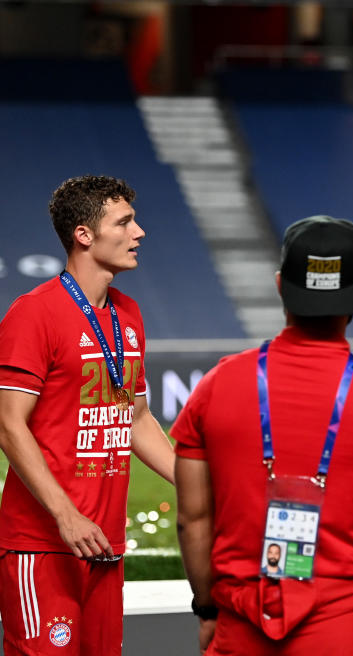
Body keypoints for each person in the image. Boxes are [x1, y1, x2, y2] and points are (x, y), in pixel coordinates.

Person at [173, 216, 353, 655]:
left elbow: (193, 520)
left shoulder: (218, 384)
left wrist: (207, 609)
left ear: (281, 285)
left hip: (242, 627)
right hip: (352, 628)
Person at [0, 175, 175, 655]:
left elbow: (135, 418)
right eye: (124, 222)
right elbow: (8, 423)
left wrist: (198, 481)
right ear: (83, 234)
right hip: (45, 543)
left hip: (104, 543)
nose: (139, 233)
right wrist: (65, 515)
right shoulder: (33, 313)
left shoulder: (129, 314)